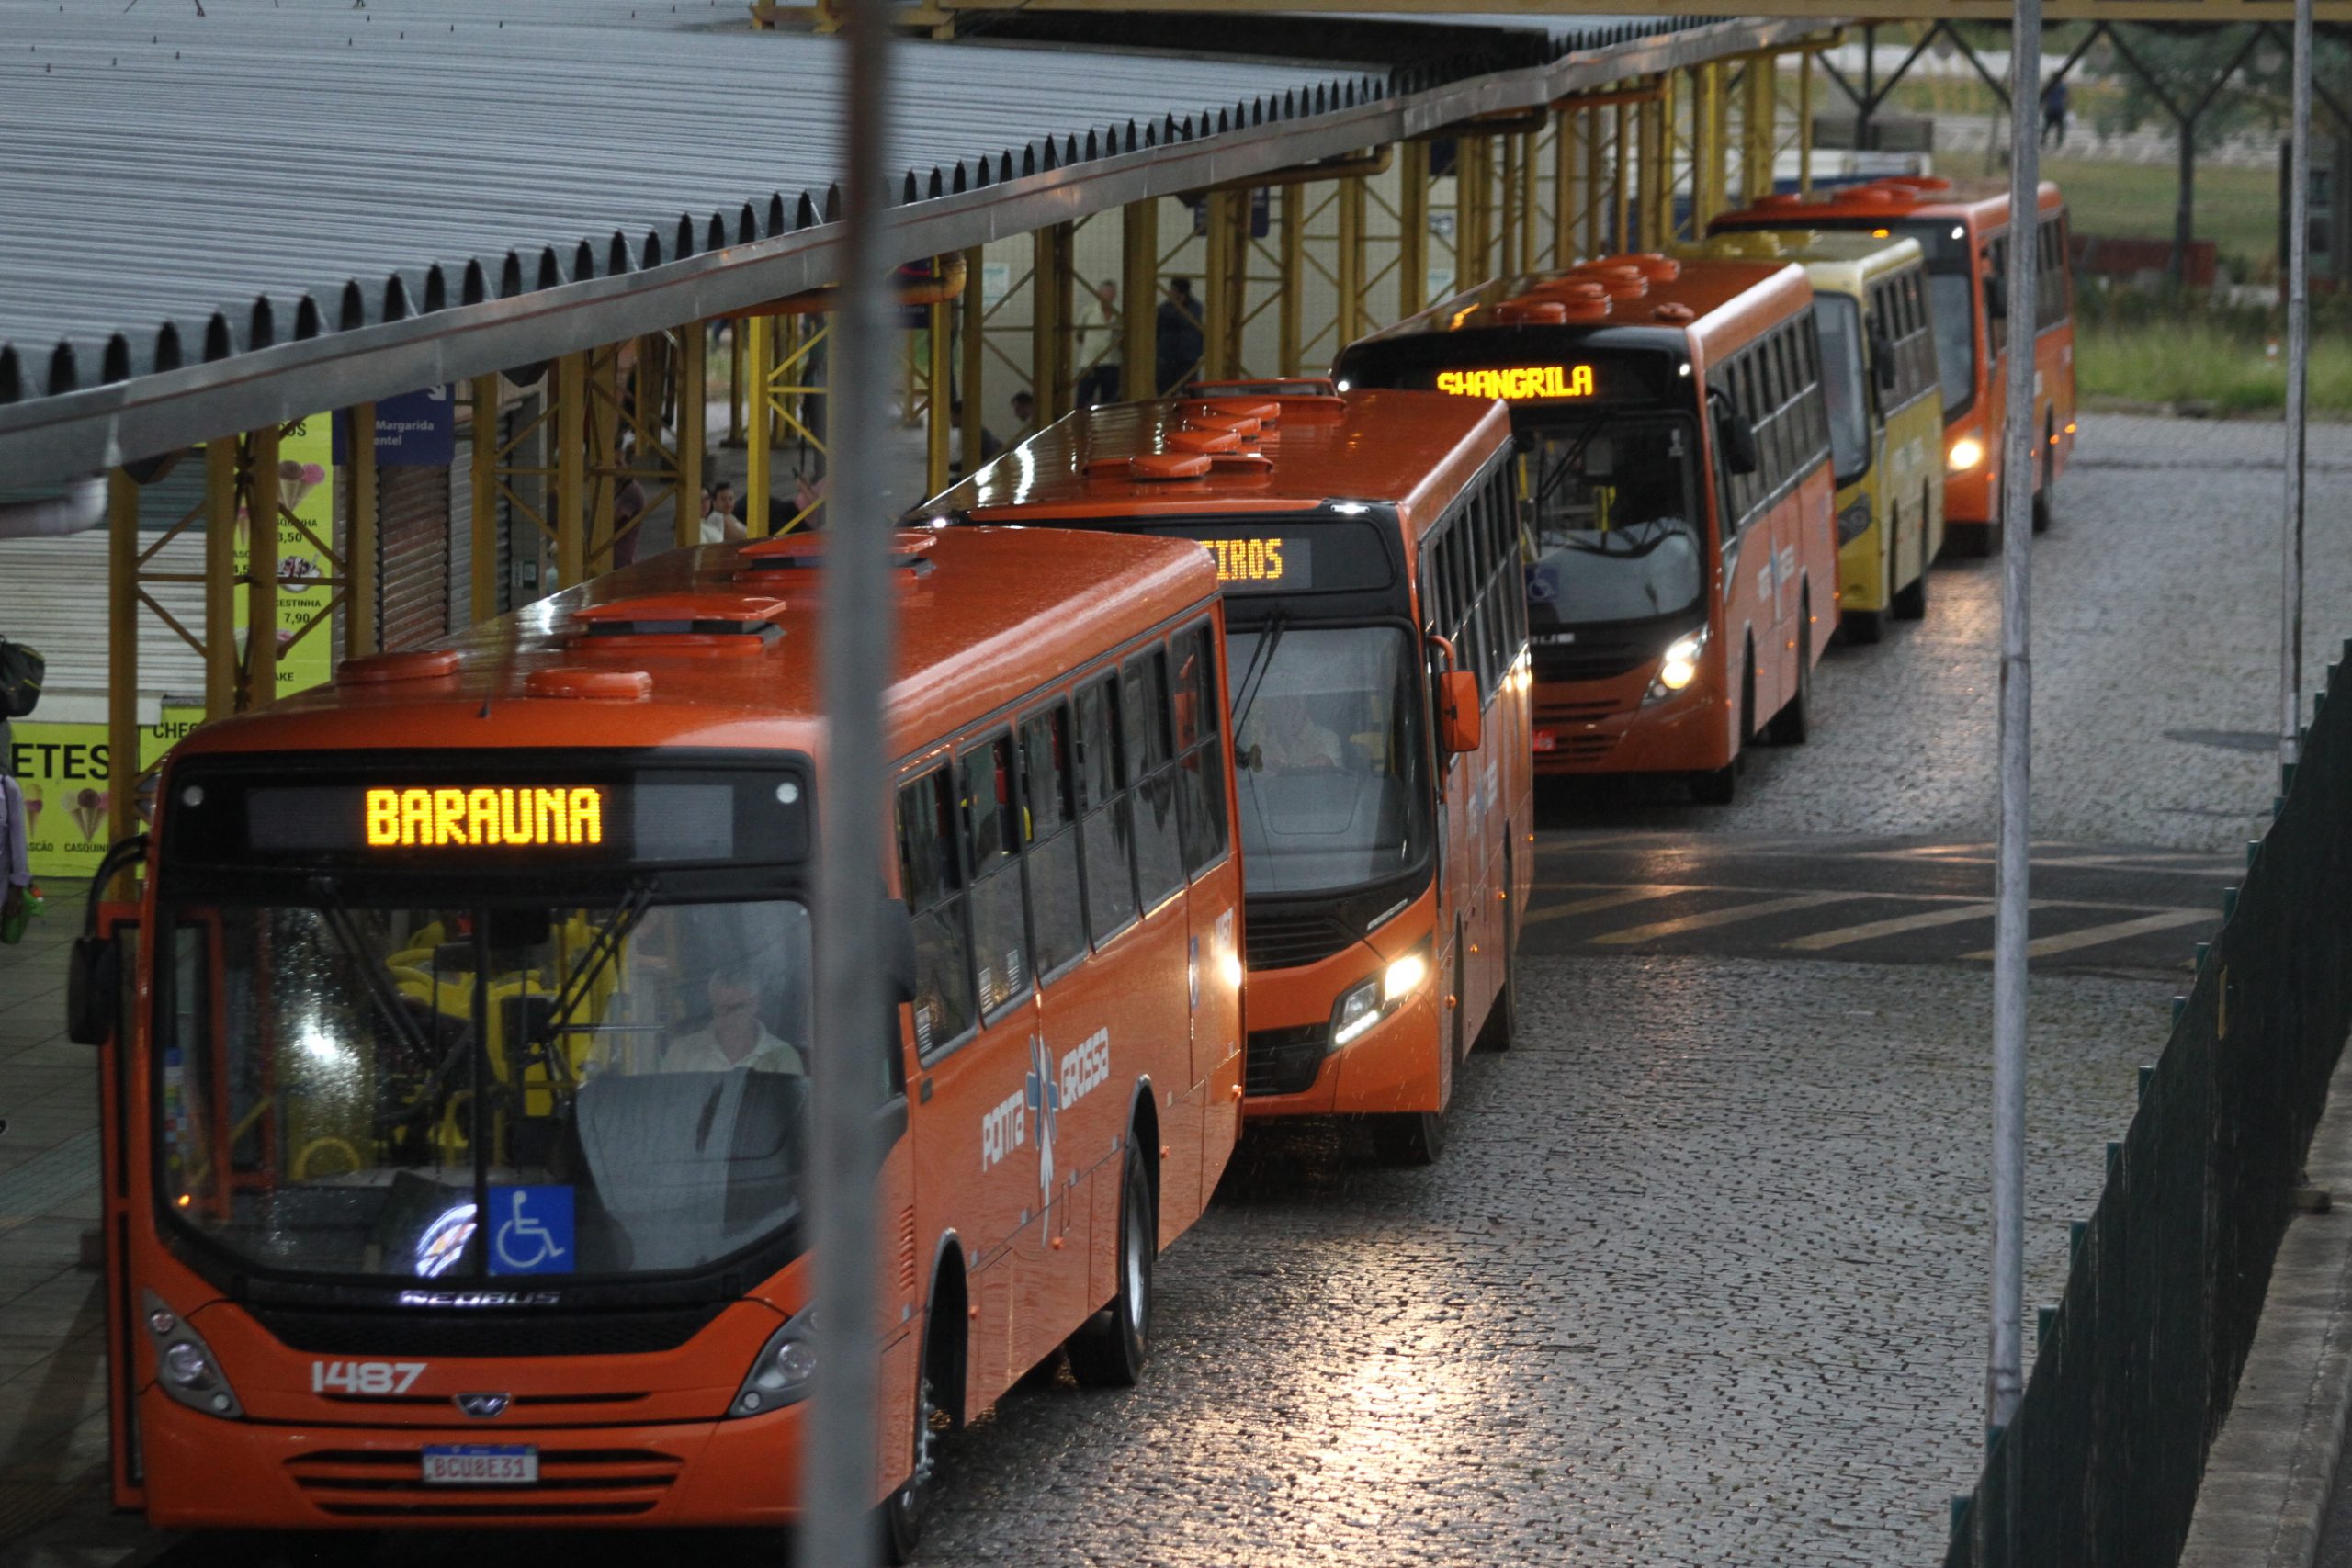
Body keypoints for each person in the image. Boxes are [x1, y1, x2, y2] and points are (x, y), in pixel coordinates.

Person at [664, 966, 804, 1074]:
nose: (729, 1017)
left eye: (737, 1008)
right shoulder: (682, 1053)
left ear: (756, 1004)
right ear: (712, 1004)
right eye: (721, 1008)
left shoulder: (783, 1057)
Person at [1157, 276, 1205, 395]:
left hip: (1187, 358)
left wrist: (1178, 306)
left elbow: (1185, 320)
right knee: (1165, 392)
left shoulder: (1194, 307)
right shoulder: (1165, 308)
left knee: (1190, 391)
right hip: (1167, 358)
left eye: (1174, 290)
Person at [1076, 280, 1122, 406]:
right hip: (1090, 363)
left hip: (1111, 363)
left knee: (1110, 402)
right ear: (1098, 294)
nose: (1109, 296)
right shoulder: (1088, 312)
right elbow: (1079, 334)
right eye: (1106, 293)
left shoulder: (1118, 316)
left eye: (1112, 293)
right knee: (1083, 401)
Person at [2041, 77, 2069, 148]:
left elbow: (2044, 97)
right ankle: (2058, 142)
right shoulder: (2063, 87)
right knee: (2060, 127)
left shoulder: (2049, 87)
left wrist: (2042, 106)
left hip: (2050, 108)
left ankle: (2043, 141)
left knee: (2047, 126)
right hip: (2059, 108)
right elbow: (2066, 97)